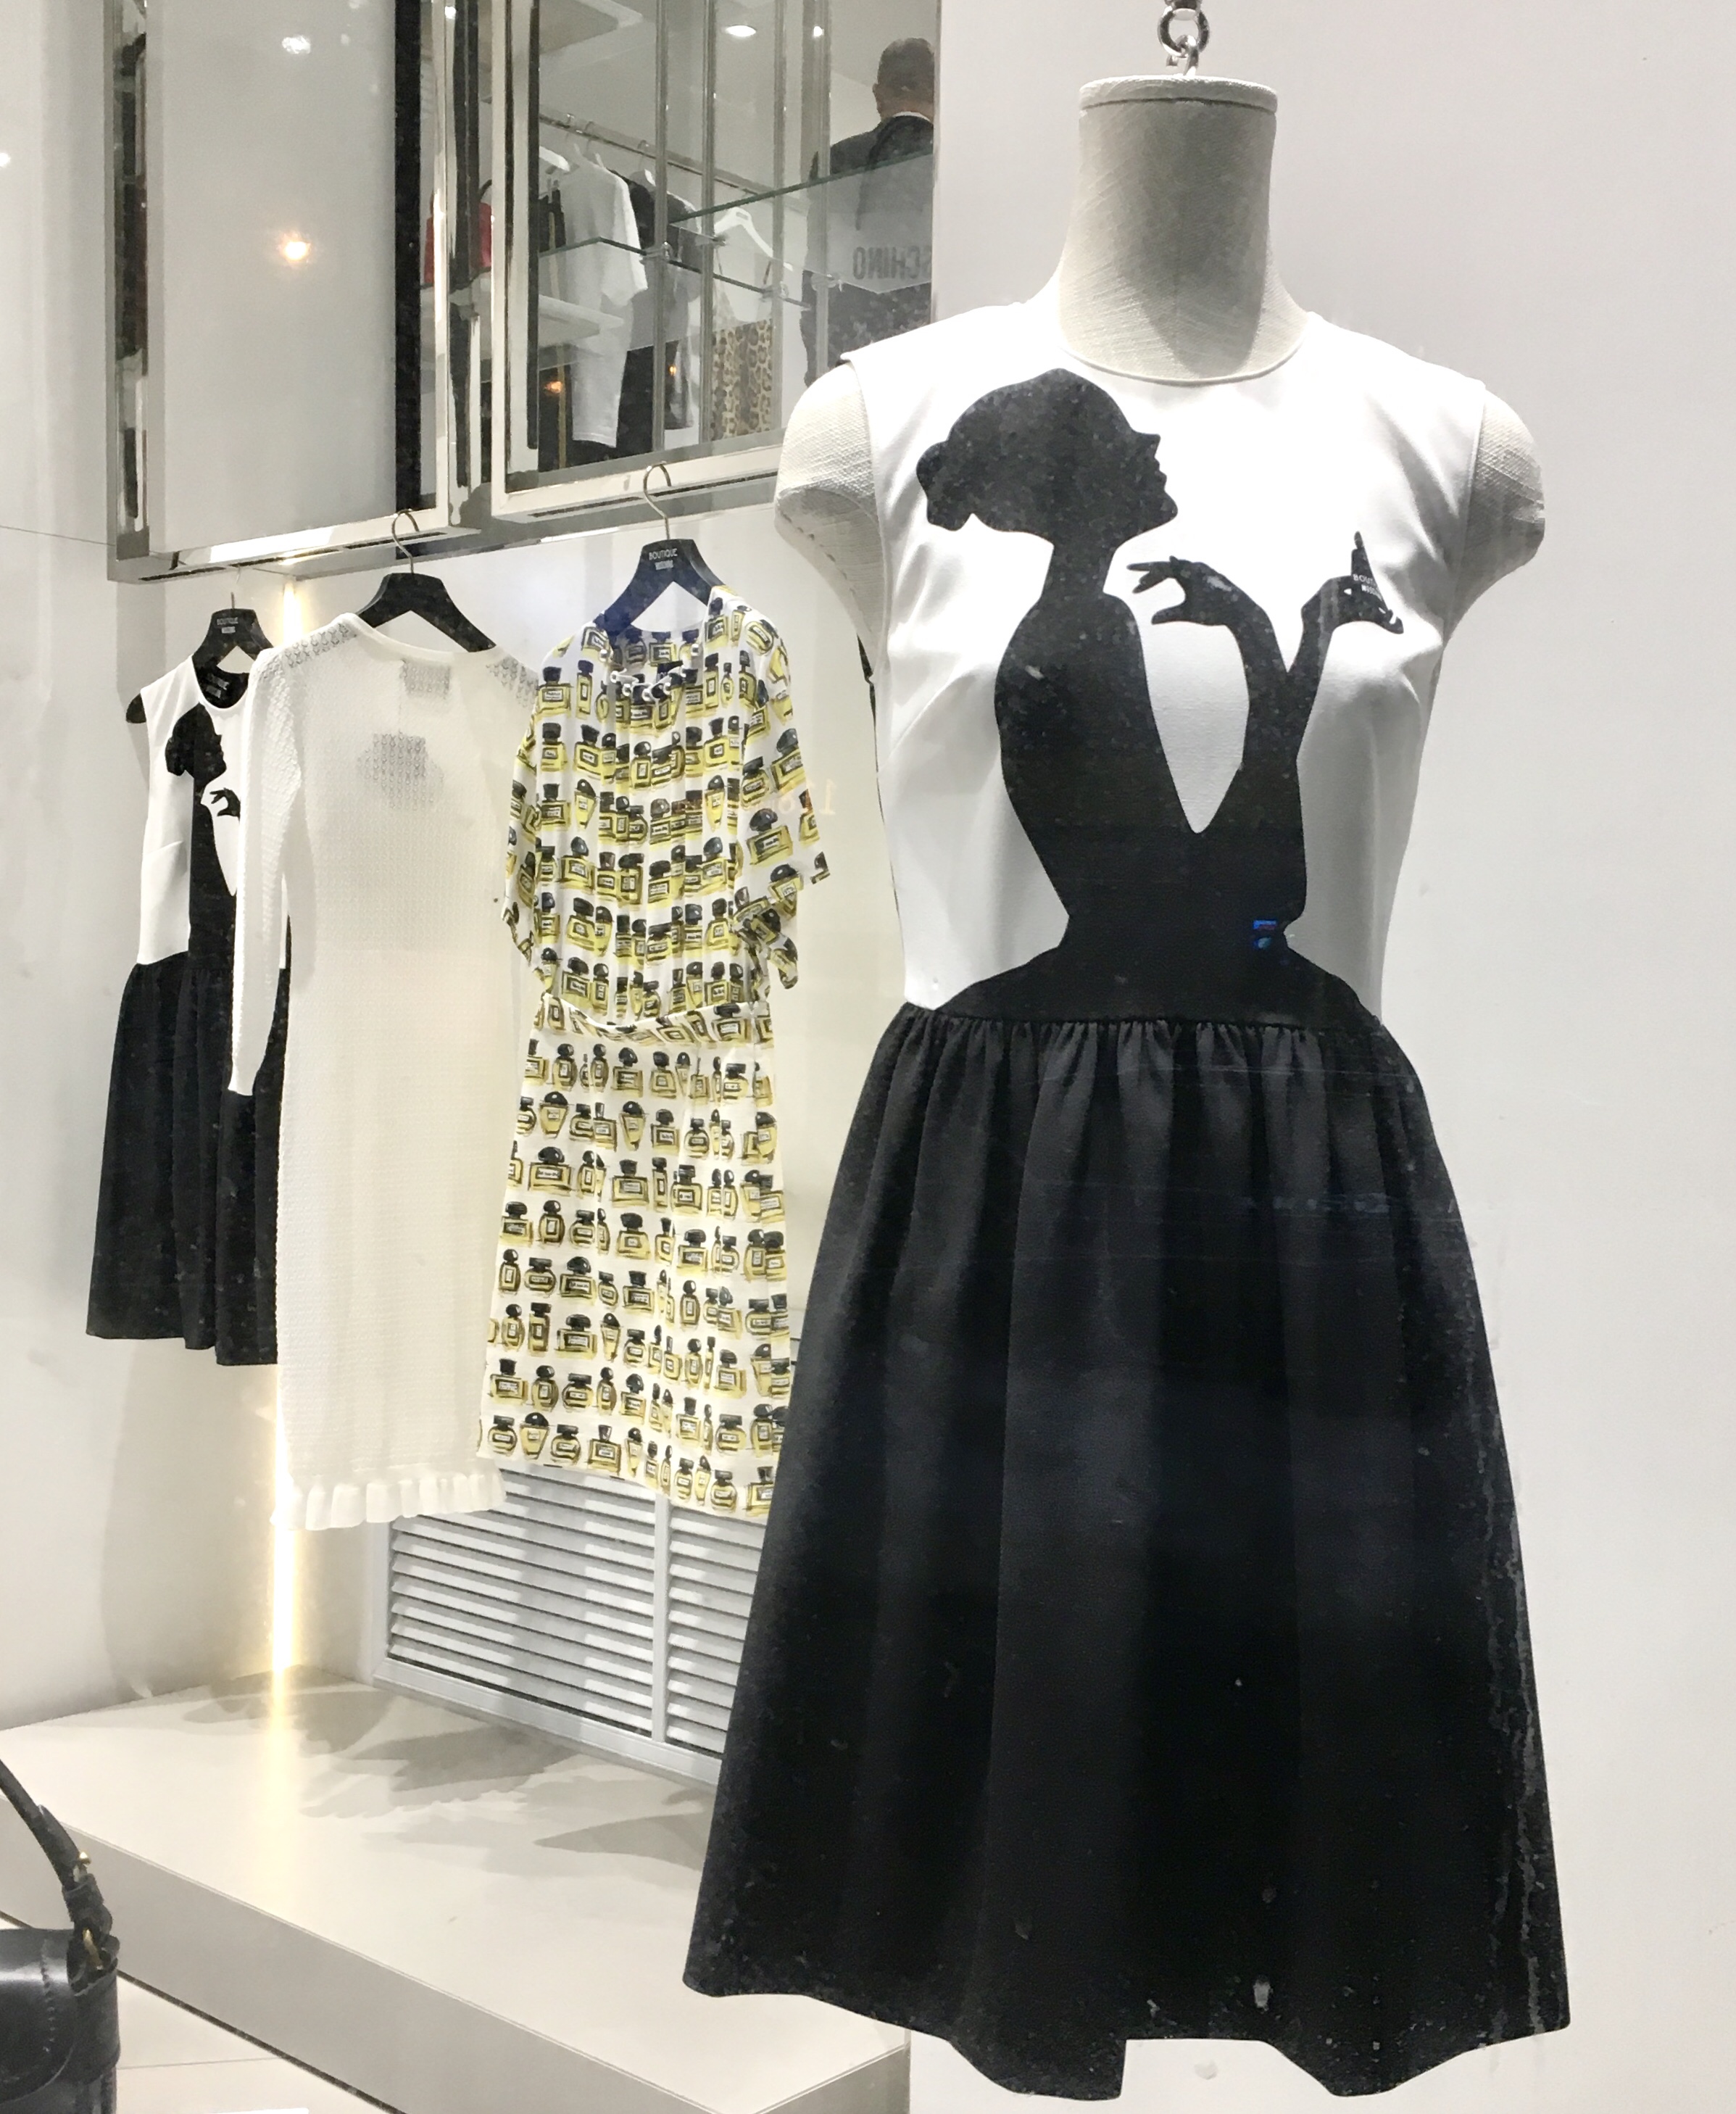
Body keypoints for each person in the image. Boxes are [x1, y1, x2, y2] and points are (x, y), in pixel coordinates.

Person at [802, 38, 936, 379]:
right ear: (937, 92)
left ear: (878, 94)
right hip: (933, 358)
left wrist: (819, 373)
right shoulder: (954, 160)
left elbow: (815, 277)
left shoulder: (835, 161)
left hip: (853, 365)